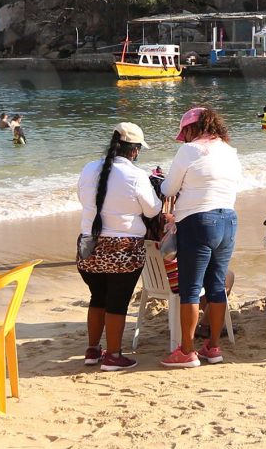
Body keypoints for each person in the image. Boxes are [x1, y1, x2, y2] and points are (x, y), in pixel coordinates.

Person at [160, 107, 242, 368]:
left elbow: (168, 188)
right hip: (228, 219)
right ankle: (213, 347)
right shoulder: (230, 151)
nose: (183, 138)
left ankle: (186, 351)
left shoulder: (190, 150)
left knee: (191, 289)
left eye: (184, 132)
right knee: (217, 286)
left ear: (192, 129)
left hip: (197, 221)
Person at [75, 123, 161, 371]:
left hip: (88, 245)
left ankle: (92, 350)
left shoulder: (89, 168)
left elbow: (83, 199)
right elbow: (152, 210)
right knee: (117, 302)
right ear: (134, 151)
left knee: (97, 297)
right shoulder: (136, 175)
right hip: (123, 248)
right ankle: (113, 355)